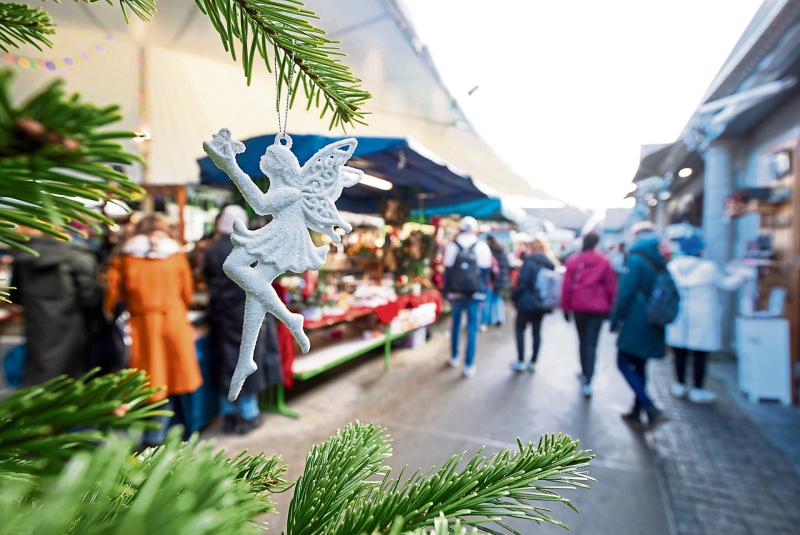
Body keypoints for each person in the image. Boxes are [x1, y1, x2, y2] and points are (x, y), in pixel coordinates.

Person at [104, 214, 202, 446]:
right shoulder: (176, 256)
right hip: (174, 324)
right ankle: (158, 440)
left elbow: (111, 299)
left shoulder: (125, 258)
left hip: (141, 328)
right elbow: (187, 293)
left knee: (143, 385)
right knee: (168, 384)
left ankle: (143, 442)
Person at [205, 205, 283, 434]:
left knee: (226, 364)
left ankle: (228, 416)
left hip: (222, 316)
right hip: (250, 313)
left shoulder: (212, 252)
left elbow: (211, 284)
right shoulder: (253, 247)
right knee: (249, 362)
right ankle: (249, 415)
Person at [667, 231, 748, 403]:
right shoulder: (708, 268)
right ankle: (698, 389)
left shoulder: (673, 266)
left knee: (679, 352)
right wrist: (742, 273)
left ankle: (679, 385)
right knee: (700, 354)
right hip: (703, 314)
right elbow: (728, 284)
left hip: (680, 313)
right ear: (699, 250)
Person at [11, 232, 101, 385]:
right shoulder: (77, 255)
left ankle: (33, 403)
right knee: (68, 371)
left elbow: (15, 294)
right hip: (70, 321)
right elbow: (90, 297)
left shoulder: (25, 254)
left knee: (37, 366)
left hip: (36, 319)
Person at [610, 221, 669, 428]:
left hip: (637, 319)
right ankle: (637, 412)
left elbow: (624, 293)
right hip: (655, 319)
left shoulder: (635, 260)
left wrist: (615, 319)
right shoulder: (659, 259)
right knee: (640, 365)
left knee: (623, 362)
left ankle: (650, 407)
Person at [562, 231, 617, 397]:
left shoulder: (574, 260)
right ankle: (588, 377)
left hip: (579, 306)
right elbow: (611, 287)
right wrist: (611, 306)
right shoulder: (604, 261)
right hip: (598, 309)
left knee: (582, 340)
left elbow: (567, 287)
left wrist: (566, 308)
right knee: (591, 343)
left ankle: (585, 372)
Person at [443, 216, 492, 378]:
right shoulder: (482, 246)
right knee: (472, 328)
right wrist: (483, 293)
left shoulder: (452, 246)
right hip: (475, 294)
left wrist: (447, 292)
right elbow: (486, 273)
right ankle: (469, 365)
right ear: (475, 229)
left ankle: (454, 356)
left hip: (455, 293)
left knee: (456, 325)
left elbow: (447, 272)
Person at [510, 237, 558, 373]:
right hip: (541, 304)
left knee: (520, 330)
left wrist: (514, 297)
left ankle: (520, 361)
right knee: (537, 332)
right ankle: (533, 362)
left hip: (526, 303)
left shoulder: (529, 263)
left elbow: (522, 284)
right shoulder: (550, 264)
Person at [482, 235, 511, 329]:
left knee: (490, 300)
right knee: (497, 299)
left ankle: (488, 320)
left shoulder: (491, 251)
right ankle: (499, 318)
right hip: (503, 280)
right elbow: (508, 266)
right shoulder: (502, 250)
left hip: (493, 280)